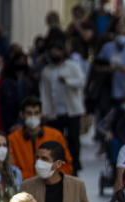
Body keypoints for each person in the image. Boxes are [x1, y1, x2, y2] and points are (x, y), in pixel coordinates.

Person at [38, 38, 86, 174]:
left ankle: (74, 166)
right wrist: (45, 110)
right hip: (55, 111)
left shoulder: (72, 66)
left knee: (73, 140)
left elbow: (81, 81)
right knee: (56, 140)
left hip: (72, 110)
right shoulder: (47, 71)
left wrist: (68, 81)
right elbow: (45, 92)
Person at [7, 96, 73, 179]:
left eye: (36, 113)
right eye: (29, 113)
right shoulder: (12, 139)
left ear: (41, 114)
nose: (33, 117)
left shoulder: (55, 136)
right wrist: (34, 180)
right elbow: (12, 169)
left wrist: (51, 177)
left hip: (52, 184)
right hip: (25, 186)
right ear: (22, 115)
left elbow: (66, 165)